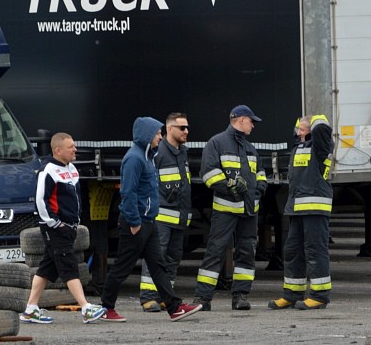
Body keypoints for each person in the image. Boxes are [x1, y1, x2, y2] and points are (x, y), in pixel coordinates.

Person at [97, 117, 203, 323]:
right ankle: (106, 308)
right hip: (136, 223)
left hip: (149, 222)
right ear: (146, 134)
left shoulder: (147, 156)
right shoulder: (134, 159)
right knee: (122, 267)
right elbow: (128, 193)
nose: (160, 136)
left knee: (158, 266)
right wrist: (135, 222)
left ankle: (174, 307)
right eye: (157, 133)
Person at [19, 132, 106, 325]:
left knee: (46, 268)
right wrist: (55, 223)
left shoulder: (71, 168)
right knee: (69, 266)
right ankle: (85, 307)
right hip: (56, 229)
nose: (75, 149)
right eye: (70, 147)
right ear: (58, 150)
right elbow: (41, 201)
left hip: (69, 228)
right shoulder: (47, 170)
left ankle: (30, 309)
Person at [193, 105, 267, 311]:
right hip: (226, 209)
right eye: (251, 121)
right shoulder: (217, 143)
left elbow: (260, 173)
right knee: (215, 251)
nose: (253, 125)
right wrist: (231, 187)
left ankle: (241, 296)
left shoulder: (250, 148)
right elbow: (208, 174)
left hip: (249, 210)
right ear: (241, 120)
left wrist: (259, 188)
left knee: (246, 253)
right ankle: (203, 298)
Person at [270, 114, 334, 310]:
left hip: (315, 208)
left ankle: (319, 296)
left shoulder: (321, 146)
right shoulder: (299, 148)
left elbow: (322, 130)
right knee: (292, 251)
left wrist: (317, 119)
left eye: (303, 129)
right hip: (297, 209)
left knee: (315, 251)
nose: (299, 132)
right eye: (298, 129)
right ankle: (291, 294)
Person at [143, 112, 193, 312]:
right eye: (182, 128)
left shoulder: (182, 152)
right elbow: (149, 182)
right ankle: (148, 297)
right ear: (169, 129)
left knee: (173, 258)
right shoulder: (159, 153)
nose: (186, 131)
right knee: (156, 256)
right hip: (161, 217)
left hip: (180, 216)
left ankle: (166, 296)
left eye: (187, 127)